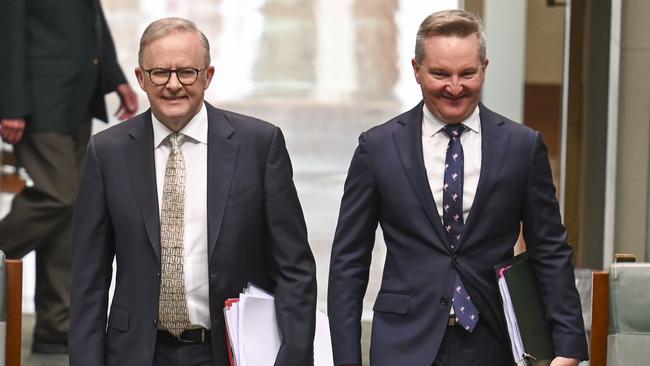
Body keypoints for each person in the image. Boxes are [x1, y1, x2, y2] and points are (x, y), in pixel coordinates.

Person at [327, 9, 588, 366]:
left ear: (484, 67)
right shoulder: (378, 147)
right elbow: (348, 262)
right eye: (439, 74)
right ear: (416, 69)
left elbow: (550, 248)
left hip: (494, 341)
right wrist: (345, 358)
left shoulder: (522, 147)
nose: (454, 87)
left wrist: (568, 346)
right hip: (404, 343)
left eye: (467, 73)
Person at [69, 17, 317, 366]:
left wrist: (293, 357)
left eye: (186, 72)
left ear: (207, 76)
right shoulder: (107, 153)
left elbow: (294, 269)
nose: (173, 85)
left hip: (231, 351)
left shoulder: (258, 146)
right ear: (140, 78)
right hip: (137, 353)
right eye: (159, 73)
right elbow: (88, 280)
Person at [0, 0, 138, 353]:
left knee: (74, 213)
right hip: (37, 101)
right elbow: (8, 33)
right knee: (58, 195)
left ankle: (57, 326)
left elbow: (92, 17)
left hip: (77, 96)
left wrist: (116, 78)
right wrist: (10, 104)